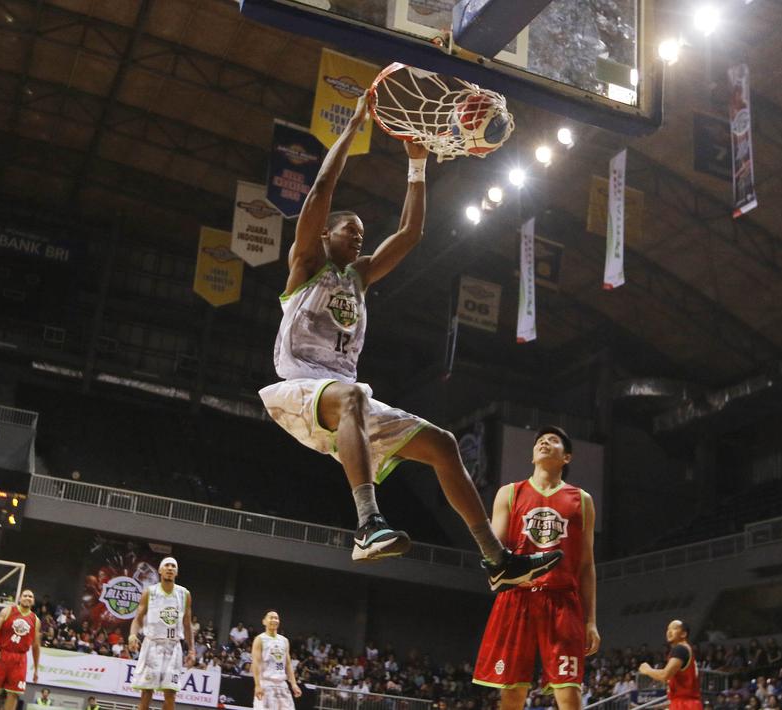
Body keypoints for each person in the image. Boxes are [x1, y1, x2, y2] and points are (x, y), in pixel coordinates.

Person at [257, 93, 560, 589]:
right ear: (326, 235)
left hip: (343, 398)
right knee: (353, 395)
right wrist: (354, 125)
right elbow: (320, 192)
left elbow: (410, 233)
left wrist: (417, 167)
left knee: (442, 444)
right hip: (299, 388)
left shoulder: (360, 277)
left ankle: (496, 560)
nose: (359, 236)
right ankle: (367, 525)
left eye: (362, 233)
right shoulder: (306, 266)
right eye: (349, 230)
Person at [472, 426, 600, 709]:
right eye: (540, 441)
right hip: (517, 597)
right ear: (532, 456)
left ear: (566, 457)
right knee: (512, 694)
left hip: (562, 599)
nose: (544, 442)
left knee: (569, 693)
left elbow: (586, 565)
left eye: (553, 440)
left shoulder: (582, 500)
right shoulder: (509, 493)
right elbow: (494, 551)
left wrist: (591, 620)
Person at [129, 558, 196, 710]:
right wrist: (132, 636)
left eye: (173, 566)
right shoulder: (150, 592)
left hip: (173, 646)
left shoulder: (184, 594)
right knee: (146, 693)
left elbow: (187, 624)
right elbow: (137, 619)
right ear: (160, 570)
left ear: (176, 572)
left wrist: (192, 650)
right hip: (152, 644)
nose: (170, 568)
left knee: (171, 694)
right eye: (167, 565)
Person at [0, 590, 41, 710]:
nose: (28, 598)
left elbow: (36, 646)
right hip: (2, 654)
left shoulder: (35, 620)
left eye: (30, 596)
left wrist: (36, 669)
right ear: (20, 598)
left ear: (33, 601)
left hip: (20, 659)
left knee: (14, 693)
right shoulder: (8, 611)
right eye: (25, 595)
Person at [638, 620, 700, 710]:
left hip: (684, 704)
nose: (669, 632)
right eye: (668, 629)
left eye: (674, 628)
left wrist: (647, 670)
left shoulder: (680, 649)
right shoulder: (686, 649)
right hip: (688, 703)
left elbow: (664, 675)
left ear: (683, 634)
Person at [252, 610, 302, 710]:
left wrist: (293, 684)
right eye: (271, 617)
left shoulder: (284, 640)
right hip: (266, 684)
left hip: (282, 685)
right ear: (264, 621)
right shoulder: (260, 639)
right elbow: (256, 663)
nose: (274, 620)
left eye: (276, 618)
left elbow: (288, 664)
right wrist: (257, 685)